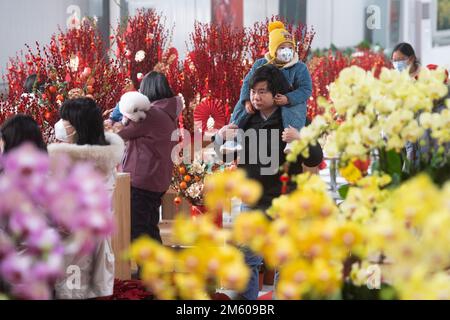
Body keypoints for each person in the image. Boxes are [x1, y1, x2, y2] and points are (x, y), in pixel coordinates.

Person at [214, 65, 323, 299]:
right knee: (247, 260)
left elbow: (315, 158)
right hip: (251, 202)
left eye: (262, 91)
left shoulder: (295, 119)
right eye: (253, 91)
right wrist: (221, 137)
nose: (256, 96)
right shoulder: (246, 119)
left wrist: (300, 138)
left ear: (277, 93)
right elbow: (225, 156)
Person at [47, 98, 125, 299]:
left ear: (77, 126)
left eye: (65, 119)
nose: (61, 123)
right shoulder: (102, 158)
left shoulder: (77, 164)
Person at [117, 72, 183, 244]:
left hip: (141, 181)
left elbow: (120, 133)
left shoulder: (150, 114)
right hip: (157, 180)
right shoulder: (168, 113)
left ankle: (150, 269)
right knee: (149, 228)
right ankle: (157, 269)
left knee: (137, 231)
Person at [228, 21, 312, 154]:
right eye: (282, 47)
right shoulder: (261, 64)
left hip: (290, 100)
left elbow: (306, 90)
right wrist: (246, 100)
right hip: (264, 106)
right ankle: (232, 136)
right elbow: (247, 83)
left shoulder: (299, 67)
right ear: (273, 49)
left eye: (290, 47)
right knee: (241, 106)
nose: (287, 51)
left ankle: (292, 140)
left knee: (296, 109)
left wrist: (289, 98)